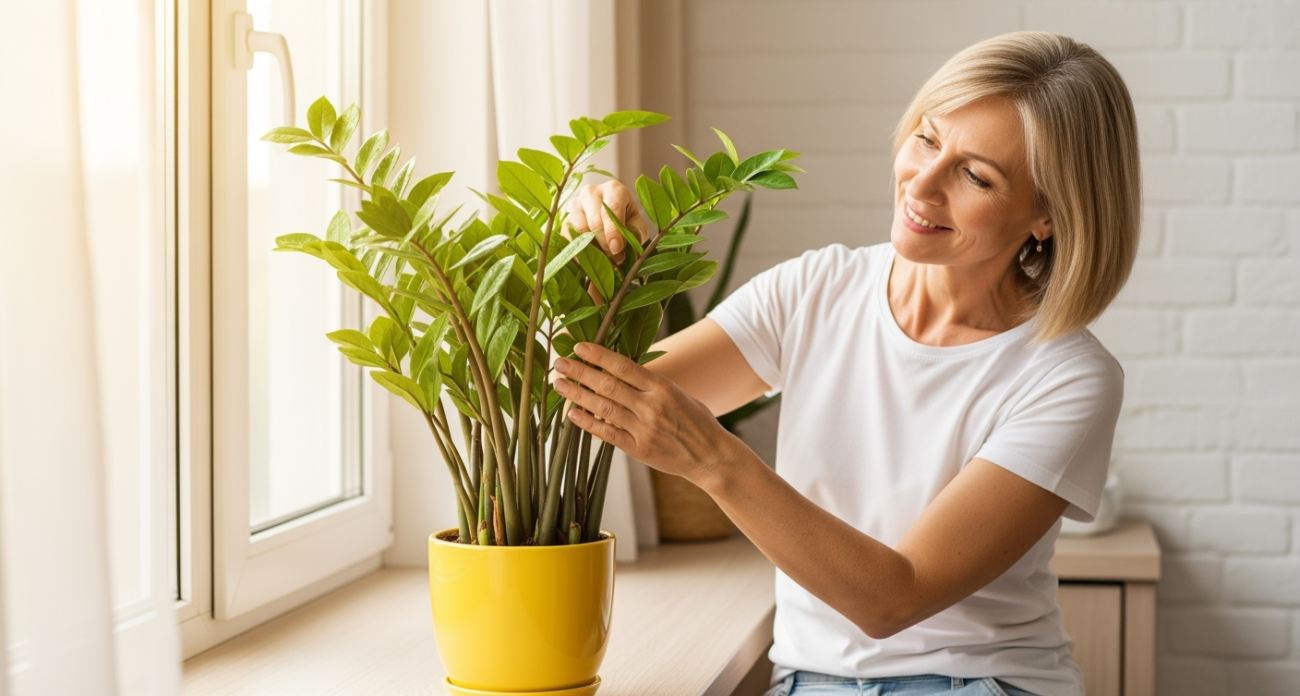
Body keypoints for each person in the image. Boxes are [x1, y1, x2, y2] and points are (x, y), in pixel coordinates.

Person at [551, 31, 1139, 696]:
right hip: (810, 682)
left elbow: (893, 598)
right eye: (926, 137)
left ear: (1047, 218)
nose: (923, 182)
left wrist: (715, 460)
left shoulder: (1066, 377)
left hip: (979, 683)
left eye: (975, 175)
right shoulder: (817, 289)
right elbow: (601, 397)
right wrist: (599, 265)